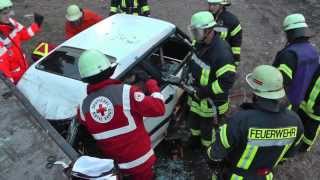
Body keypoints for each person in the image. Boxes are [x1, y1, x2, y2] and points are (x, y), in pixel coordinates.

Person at [76, 49, 165, 179]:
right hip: (141, 164)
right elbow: (159, 108)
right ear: (108, 70)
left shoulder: (82, 109)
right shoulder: (127, 93)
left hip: (115, 169)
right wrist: (152, 86)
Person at [207, 65, 304, 180]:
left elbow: (215, 154)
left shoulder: (241, 120)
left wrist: (214, 163)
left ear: (256, 92)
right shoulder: (295, 121)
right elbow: (287, 155)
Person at [187, 11, 236, 149]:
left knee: (208, 132)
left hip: (211, 103)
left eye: (197, 31)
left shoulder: (222, 53)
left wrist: (204, 92)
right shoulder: (199, 43)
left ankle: (207, 150)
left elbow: (226, 82)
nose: (194, 35)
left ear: (209, 30)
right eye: (193, 31)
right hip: (196, 97)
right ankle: (194, 140)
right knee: (194, 124)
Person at [272, 13, 320, 152]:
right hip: (300, 100)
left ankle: (279, 150)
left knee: (280, 128)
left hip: (287, 101)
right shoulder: (313, 51)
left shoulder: (289, 55)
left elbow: (280, 82)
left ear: (290, 33)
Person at [0, 0, 43, 84]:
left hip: (23, 69)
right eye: (5, 13)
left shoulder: (12, 23)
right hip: (14, 79)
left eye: (9, 12)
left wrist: (36, 24)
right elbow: (3, 67)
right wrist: (11, 87)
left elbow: (24, 34)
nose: (8, 15)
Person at [207, 0, 242, 66]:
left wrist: (235, 62)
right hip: (206, 54)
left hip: (220, 58)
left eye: (214, 5)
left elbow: (236, 45)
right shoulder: (206, 17)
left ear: (222, 5)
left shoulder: (232, 21)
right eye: (209, 4)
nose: (211, 7)